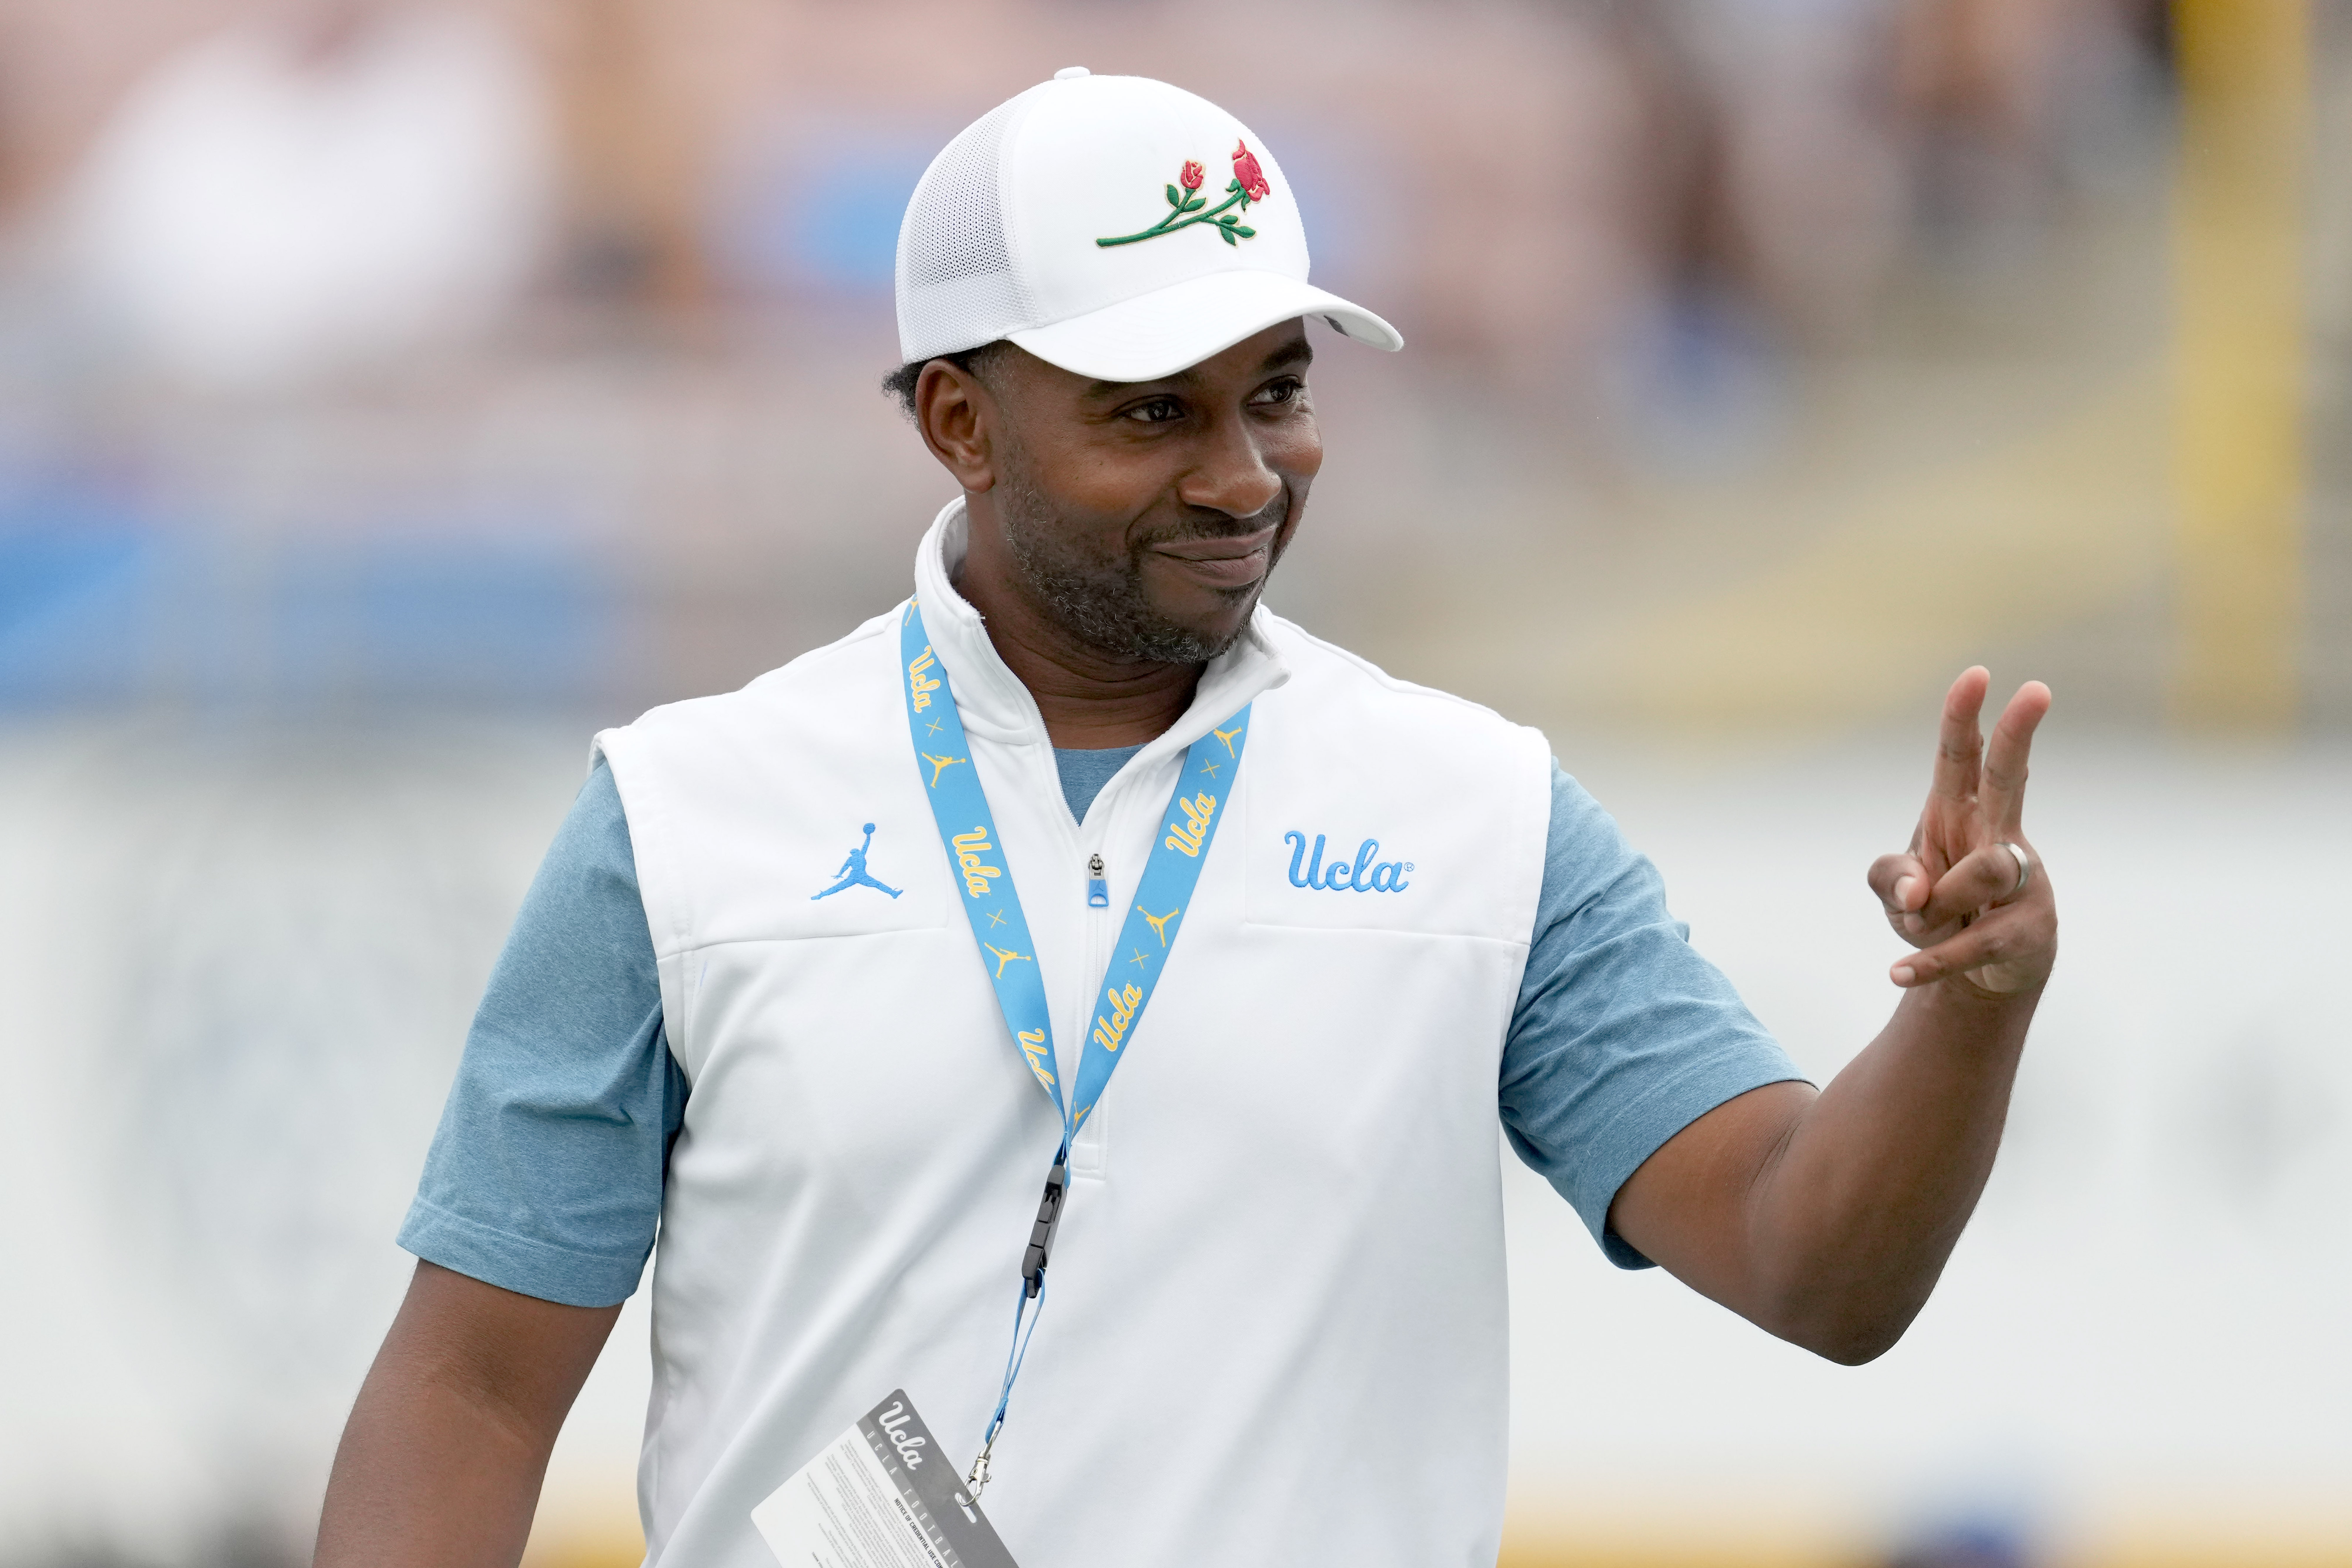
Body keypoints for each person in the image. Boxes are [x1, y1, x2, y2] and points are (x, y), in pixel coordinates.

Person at [315, 70, 2057, 1568]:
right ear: (959, 422)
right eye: (1153, 412)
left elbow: (1811, 1265)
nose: (1240, 477)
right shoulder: (685, 816)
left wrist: (1967, 1015)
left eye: (1276, 392)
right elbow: (470, 1387)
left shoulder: (1481, 816)